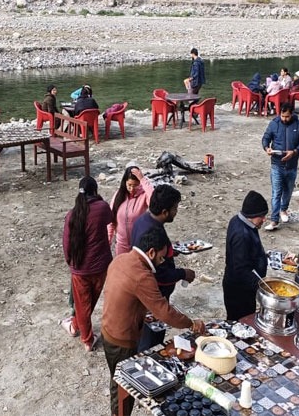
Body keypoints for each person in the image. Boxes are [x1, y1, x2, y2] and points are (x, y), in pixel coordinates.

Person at [101, 227, 205, 416]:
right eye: (161, 257)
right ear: (151, 252)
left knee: (117, 379)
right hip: (122, 340)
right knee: (123, 387)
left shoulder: (121, 259)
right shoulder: (142, 275)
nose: (162, 261)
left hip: (108, 329)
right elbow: (165, 312)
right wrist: (191, 323)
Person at [129, 184, 196, 351]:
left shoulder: (144, 220)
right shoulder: (150, 228)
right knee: (152, 338)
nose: (176, 212)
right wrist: (183, 273)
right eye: (175, 208)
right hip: (155, 292)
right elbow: (157, 272)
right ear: (165, 212)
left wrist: (170, 252)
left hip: (154, 291)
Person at [61, 176, 113, 352]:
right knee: (90, 302)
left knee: (83, 304)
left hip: (80, 268)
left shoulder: (72, 214)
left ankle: (87, 340)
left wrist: (71, 262)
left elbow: (66, 243)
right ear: (95, 191)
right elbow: (109, 219)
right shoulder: (102, 208)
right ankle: (76, 325)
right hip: (101, 266)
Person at [223, 191, 269, 321]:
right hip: (239, 291)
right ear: (252, 215)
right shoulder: (241, 235)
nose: (264, 219)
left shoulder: (240, 221)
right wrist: (263, 286)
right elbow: (241, 270)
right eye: (262, 216)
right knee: (241, 322)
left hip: (244, 288)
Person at [261, 103, 299, 231]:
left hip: (292, 165)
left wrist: (295, 151)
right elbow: (265, 138)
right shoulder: (274, 124)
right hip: (277, 164)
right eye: (282, 116)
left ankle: (284, 209)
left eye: (287, 116)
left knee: (288, 190)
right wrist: (267, 148)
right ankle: (274, 220)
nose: (284, 119)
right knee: (276, 192)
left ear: (292, 114)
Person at [108, 165, 154, 256]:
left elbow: (155, 202)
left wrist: (143, 180)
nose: (132, 189)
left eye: (135, 185)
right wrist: (108, 240)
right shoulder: (118, 195)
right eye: (129, 185)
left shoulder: (144, 195)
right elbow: (111, 219)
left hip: (139, 245)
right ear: (124, 182)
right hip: (121, 245)